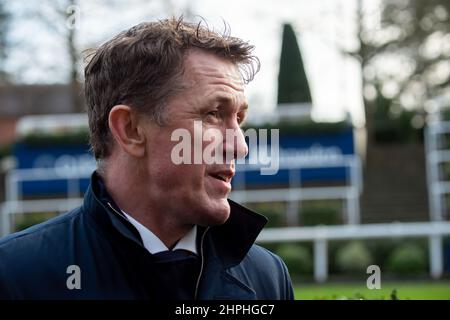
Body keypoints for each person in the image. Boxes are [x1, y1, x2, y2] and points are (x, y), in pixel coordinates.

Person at [0, 17, 294, 300]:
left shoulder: (268, 277)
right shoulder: (14, 275)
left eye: (239, 119)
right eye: (213, 114)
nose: (240, 147)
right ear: (130, 129)